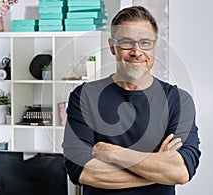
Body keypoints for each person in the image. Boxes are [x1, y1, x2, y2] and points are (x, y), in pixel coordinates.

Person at [62, 6, 201, 195]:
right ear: (112, 46)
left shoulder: (178, 100)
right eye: (127, 43)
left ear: (154, 46)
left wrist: (112, 152)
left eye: (145, 43)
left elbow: (181, 171)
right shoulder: (85, 96)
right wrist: (157, 169)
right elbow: (82, 172)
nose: (137, 52)